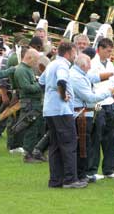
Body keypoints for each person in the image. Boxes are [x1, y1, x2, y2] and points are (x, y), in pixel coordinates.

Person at [39, 42, 87, 189]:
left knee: (55, 145)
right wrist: (62, 95)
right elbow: (61, 80)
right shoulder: (63, 65)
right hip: (62, 110)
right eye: (74, 53)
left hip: (49, 110)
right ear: (68, 53)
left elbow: (41, 82)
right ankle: (70, 179)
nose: (75, 56)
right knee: (69, 144)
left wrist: (50, 96)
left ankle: (55, 180)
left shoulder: (51, 64)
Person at [70, 53, 113, 182]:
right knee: (82, 146)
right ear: (83, 65)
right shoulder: (77, 77)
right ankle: (81, 175)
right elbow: (90, 98)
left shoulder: (80, 73)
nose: (91, 66)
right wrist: (108, 92)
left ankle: (83, 173)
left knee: (85, 144)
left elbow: (93, 77)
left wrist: (112, 74)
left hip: (85, 113)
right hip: (81, 115)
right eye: (89, 64)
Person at [88, 38, 114, 180]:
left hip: (109, 101)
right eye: (108, 50)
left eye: (111, 51)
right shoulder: (92, 63)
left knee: (111, 137)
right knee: (96, 136)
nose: (110, 54)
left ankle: (109, 169)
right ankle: (92, 170)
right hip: (97, 103)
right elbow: (92, 81)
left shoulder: (110, 63)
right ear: (100, 49)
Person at [12, 48, 46, 163]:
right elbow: (26, 87)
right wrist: (40, 85)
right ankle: (28, 155)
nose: (37, 63)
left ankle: (35, 153)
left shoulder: (28, 69)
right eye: (35, 60)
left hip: (34, 103)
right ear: (29, 58)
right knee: (31, 129)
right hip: (29, 103)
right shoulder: (22, 70)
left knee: (37, 128)